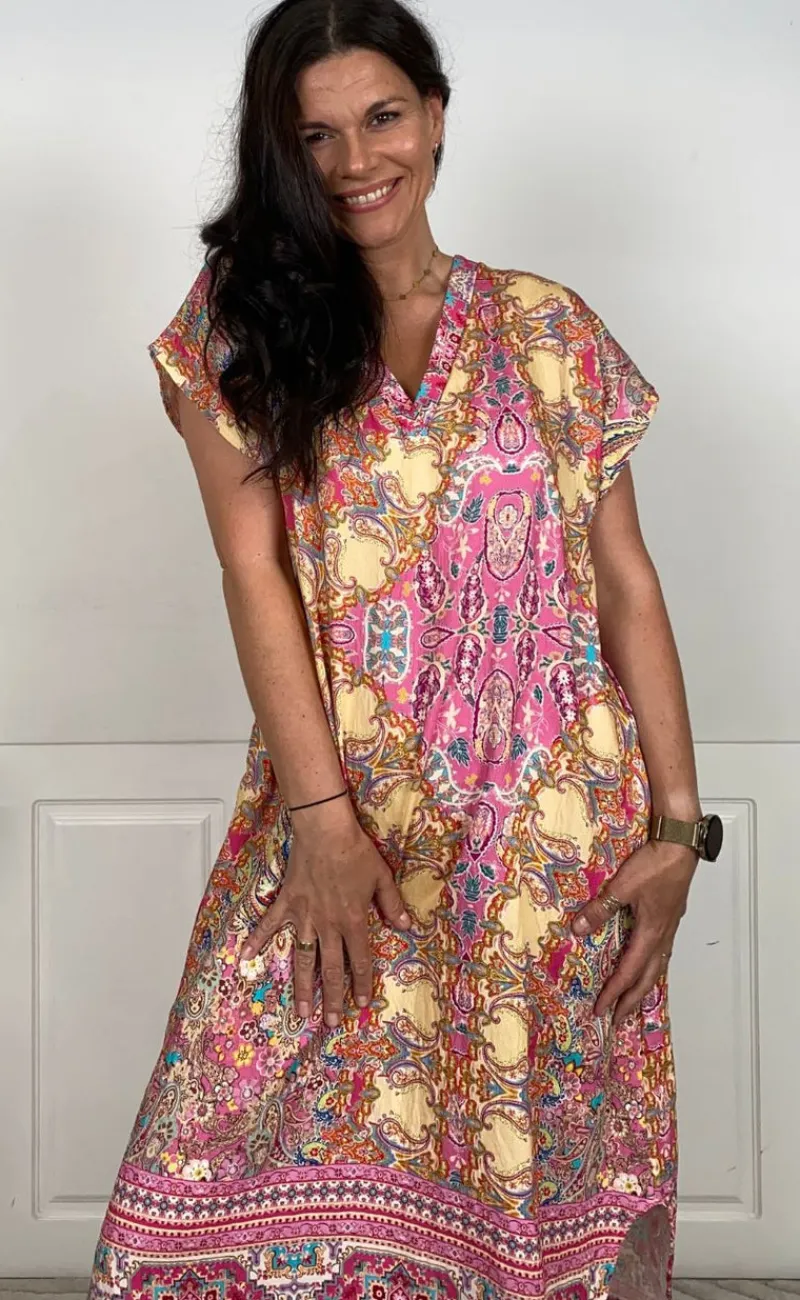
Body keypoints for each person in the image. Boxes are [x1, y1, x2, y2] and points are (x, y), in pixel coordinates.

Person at [89, 1, 723, 1296]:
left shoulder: (551, 328)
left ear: (435, 116)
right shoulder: (234, 332)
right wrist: (323, 824)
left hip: (554, 841)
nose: (354, 160)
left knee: (532, 1191)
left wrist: (677, 828)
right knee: (226, 1164)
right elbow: (255, 574)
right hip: (352, 823)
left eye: (382, 117)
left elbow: (626, 583)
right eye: (313, 134)